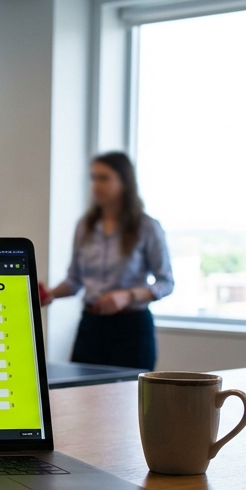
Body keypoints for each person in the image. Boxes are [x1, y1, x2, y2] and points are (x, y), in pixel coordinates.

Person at [40, 152, 174, 371]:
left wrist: (127, 295)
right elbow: (74, 282)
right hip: (91, 327)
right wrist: (49, 294)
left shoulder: (147, 227)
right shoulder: (85, 226)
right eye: (93, 178)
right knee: (81, 397)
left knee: (128, 400)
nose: (96, 185)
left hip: (132, 328)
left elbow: (166, 283)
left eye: (104, 178)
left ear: (124, 181)